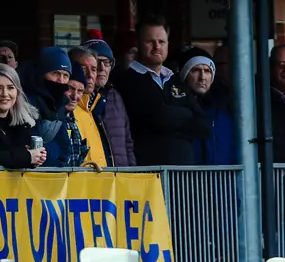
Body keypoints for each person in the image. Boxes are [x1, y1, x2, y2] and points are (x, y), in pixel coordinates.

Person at [115, 16, 211, 165]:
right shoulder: (126, 81)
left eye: (161, 42)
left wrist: (168, 118)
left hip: (183, 175)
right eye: (150, 42)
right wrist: (184, 115)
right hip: (148, 174)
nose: (157, 47)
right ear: (139, 45)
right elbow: (157, 118)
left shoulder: (177, 80)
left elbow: (204, 125)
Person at [0, 64, 46, 169]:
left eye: (10, 88)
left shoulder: (26, 121)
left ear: (17, 91)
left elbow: (26, 158)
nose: (5, 94)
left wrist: (37, 157)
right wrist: (27, 157)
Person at [81, 38, 136, 166]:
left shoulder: (115, 97)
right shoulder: (76, 98)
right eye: (98, 62)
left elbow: (128, 142)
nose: (102, 68)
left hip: (120, 176)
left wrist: (132, 173)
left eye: (107, 63)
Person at [178, 49, 237, 166]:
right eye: (195, 70)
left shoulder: (224, 108)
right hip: (188, 180)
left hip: (224, 180)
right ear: (184, 74)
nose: (202, 77)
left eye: (207, 71)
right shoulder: (177, 108)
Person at [66, 60, 106, 167]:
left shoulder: (72, 118)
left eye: (80, 91)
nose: (75, 96)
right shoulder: (56, 118)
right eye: (71, 88)